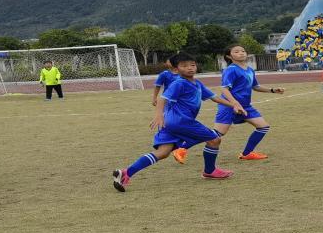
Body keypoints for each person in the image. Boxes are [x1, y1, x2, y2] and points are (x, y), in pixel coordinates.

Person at [112, 52, 228, 191]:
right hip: (181, 121)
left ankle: (126, 173)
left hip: (170, 123)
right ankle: (209, 171)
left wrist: (234, 105)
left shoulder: (197, 83)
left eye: (192, 65)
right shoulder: (179, 83)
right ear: (175, 69)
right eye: (184, 66)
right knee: (214, 140)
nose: (190, 68)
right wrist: (158, 115)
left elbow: (214, 97)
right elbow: (163, 98)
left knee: (163, 152)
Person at [213, 44, 285, 165]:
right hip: (229, 106)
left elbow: (255, 86)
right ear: (229, 56)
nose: (241, 53)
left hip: (245, 106)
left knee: (263, 126)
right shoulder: (231, 70)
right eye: (236, 52)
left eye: (243, 51)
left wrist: (272, 90)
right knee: (217, 134)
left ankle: (247, 154)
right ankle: (181, 146)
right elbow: (224, 89)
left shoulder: (249, 70)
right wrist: (234, 103)